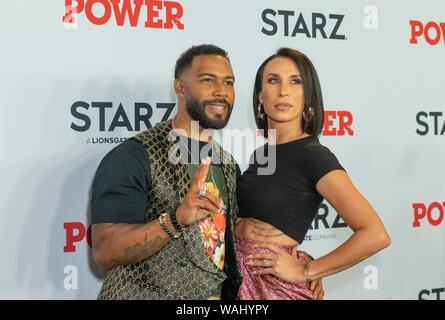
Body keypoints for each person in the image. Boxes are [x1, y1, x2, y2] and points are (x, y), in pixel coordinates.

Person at [90, 44, 323, 300]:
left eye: (229, 83)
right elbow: (105, 251)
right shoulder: (134, 156)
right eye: (207, 80)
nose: (221, 91)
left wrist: (302, 262)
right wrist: (175, 220)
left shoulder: (228, 164)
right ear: (180, 87)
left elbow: (236, 240)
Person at [234, 48, 391, 300]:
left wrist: (306, 270)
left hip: (274, 290)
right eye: (273, 80)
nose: (283, 90)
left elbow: (375, 234)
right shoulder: (262, 153)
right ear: (260, 96)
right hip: (240, 282)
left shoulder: (313, 155)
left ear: (307, 96)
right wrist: (304, 256)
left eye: (295, 81)